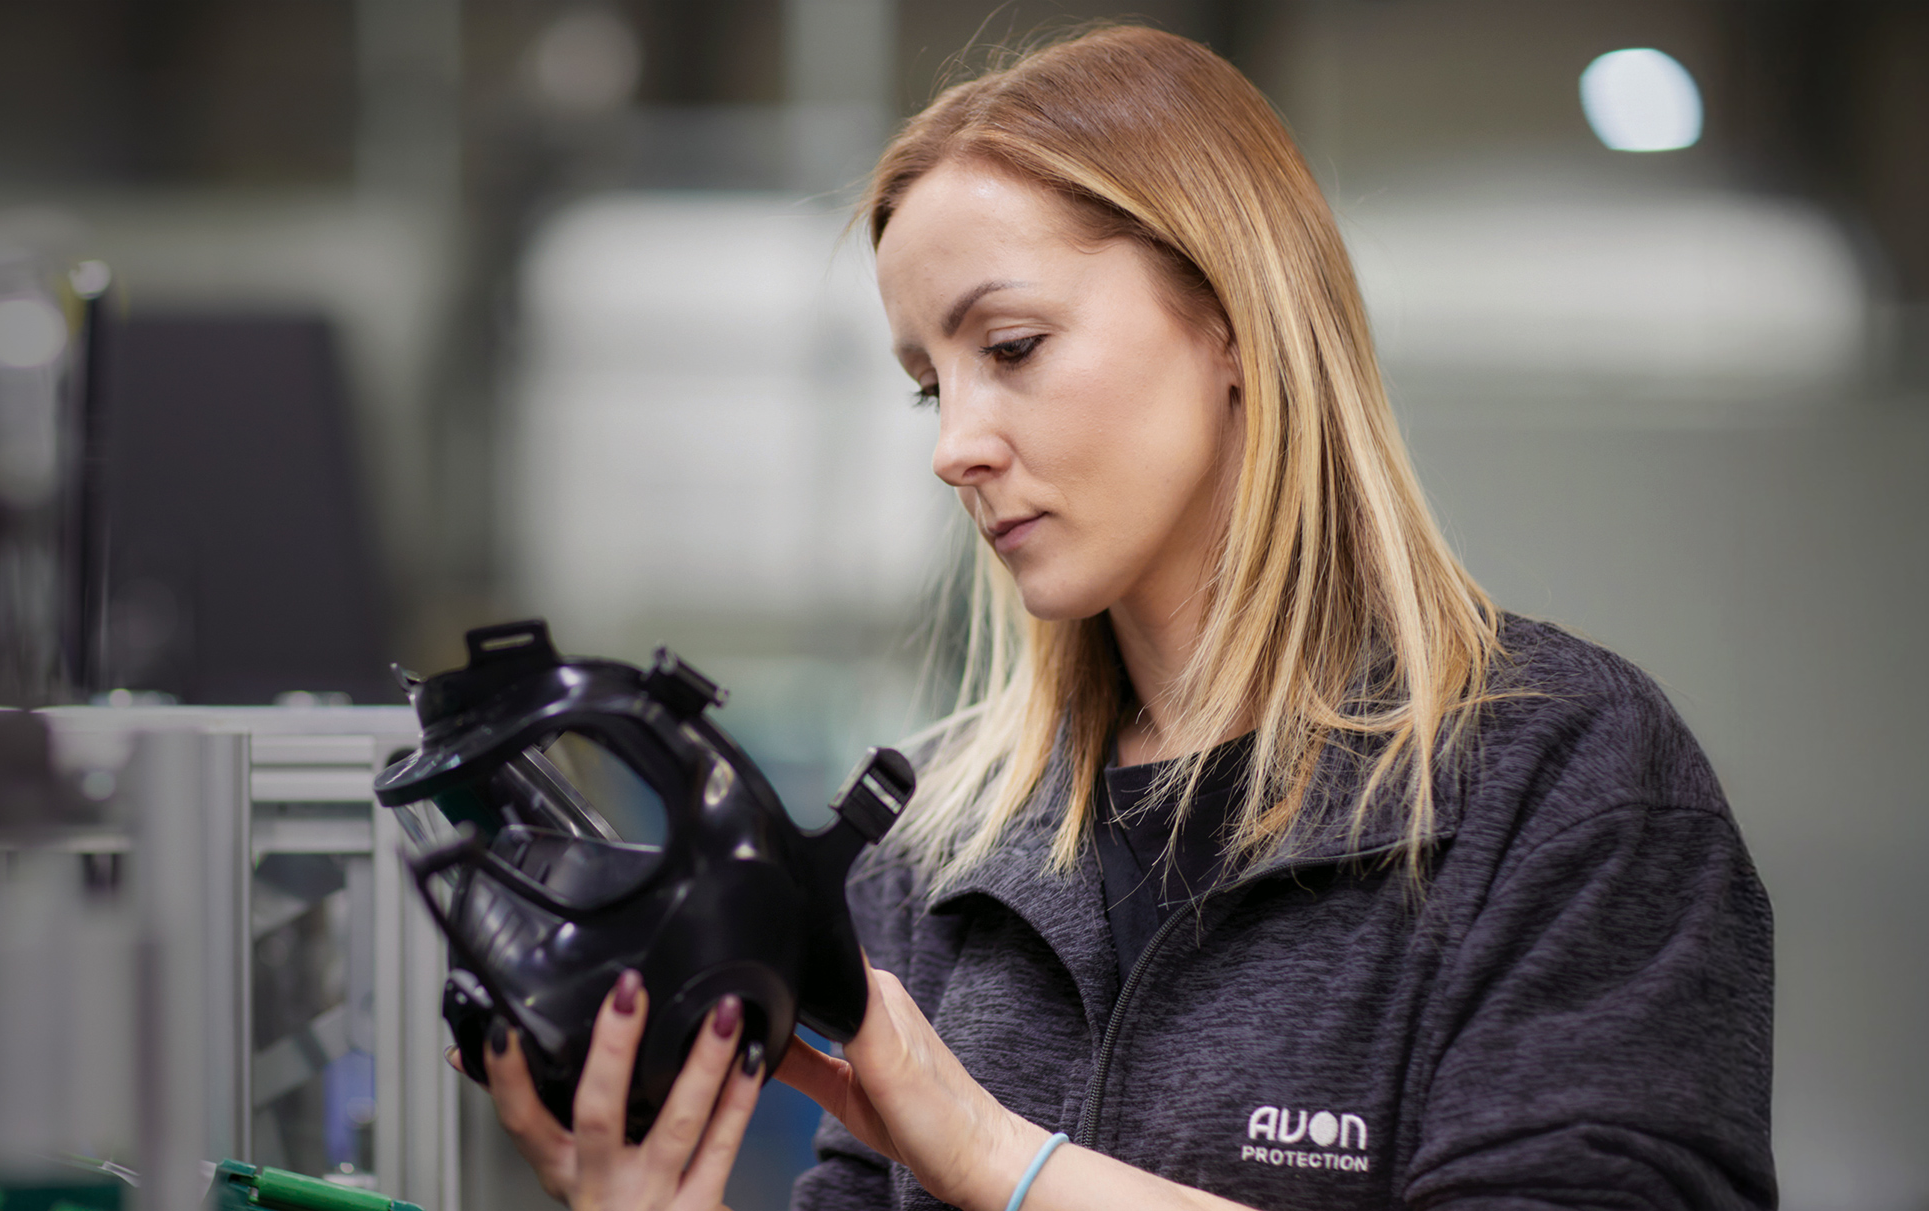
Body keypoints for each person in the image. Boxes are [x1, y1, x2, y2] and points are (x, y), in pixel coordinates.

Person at [471, 24, 1775, 1211]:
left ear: (1231, 323)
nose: (958, 446)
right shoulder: (942, 852)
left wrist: (991, 1157)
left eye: (1016, 347)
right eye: (931, 385)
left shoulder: (1562, 796)